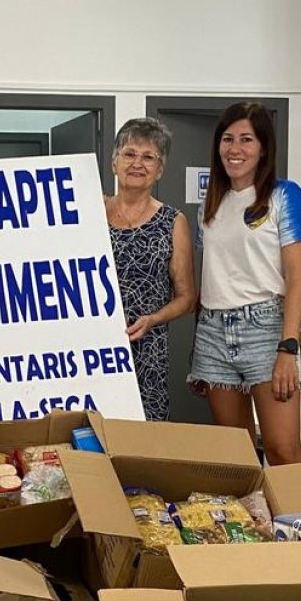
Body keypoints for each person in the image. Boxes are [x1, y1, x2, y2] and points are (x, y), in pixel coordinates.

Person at [188, 102, 301, 465]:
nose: (235, 149)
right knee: (236, 456)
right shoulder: (210, 204)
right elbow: (215, 272)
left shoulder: (284, 196)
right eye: (227, 139)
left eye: (246, 139)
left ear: (263, 147)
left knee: (282, 450)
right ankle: (255, 523)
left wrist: (288, 349)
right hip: (213, 331)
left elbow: (298, 279)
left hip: (267, 330)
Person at [105, 118, 197, 421]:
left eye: (149, 157)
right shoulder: (87, 211)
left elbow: (187, 297)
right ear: (114, 162)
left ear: (159, 170)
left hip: (147, 350)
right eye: (129, 154)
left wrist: (153, 319)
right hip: (94, 347)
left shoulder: (173, 221)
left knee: (143, 439)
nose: (137, 164)